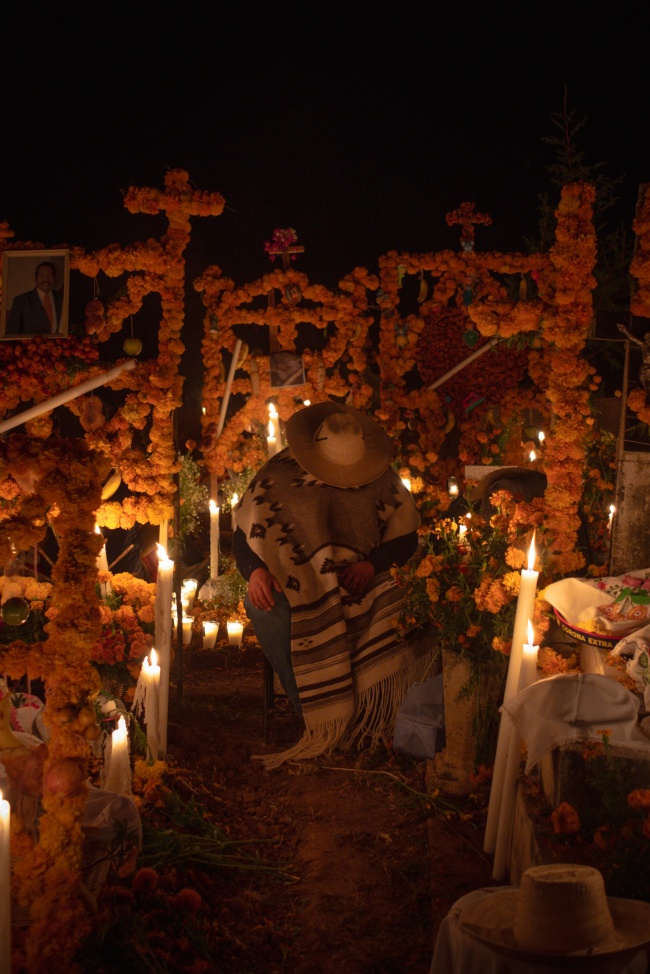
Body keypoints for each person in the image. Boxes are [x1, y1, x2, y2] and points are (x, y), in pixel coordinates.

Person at [233, 401, 429, 768]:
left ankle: (371, 715)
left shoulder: (383, 478)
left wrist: (373, 565)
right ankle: (313, 714)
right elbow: (244, 534)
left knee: (404, 607)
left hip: (363, 578)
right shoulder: (277, 475)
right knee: (268, 607)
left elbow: (406, 537)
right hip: (293, 580)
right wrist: (255, 570)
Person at [6, 260, 64, 335]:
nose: (46, 279)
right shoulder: (21, 301)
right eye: (42, 276)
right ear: (36, 278)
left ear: (54, 278)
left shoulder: (62, 298)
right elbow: (12, 332)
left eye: (50, 276)